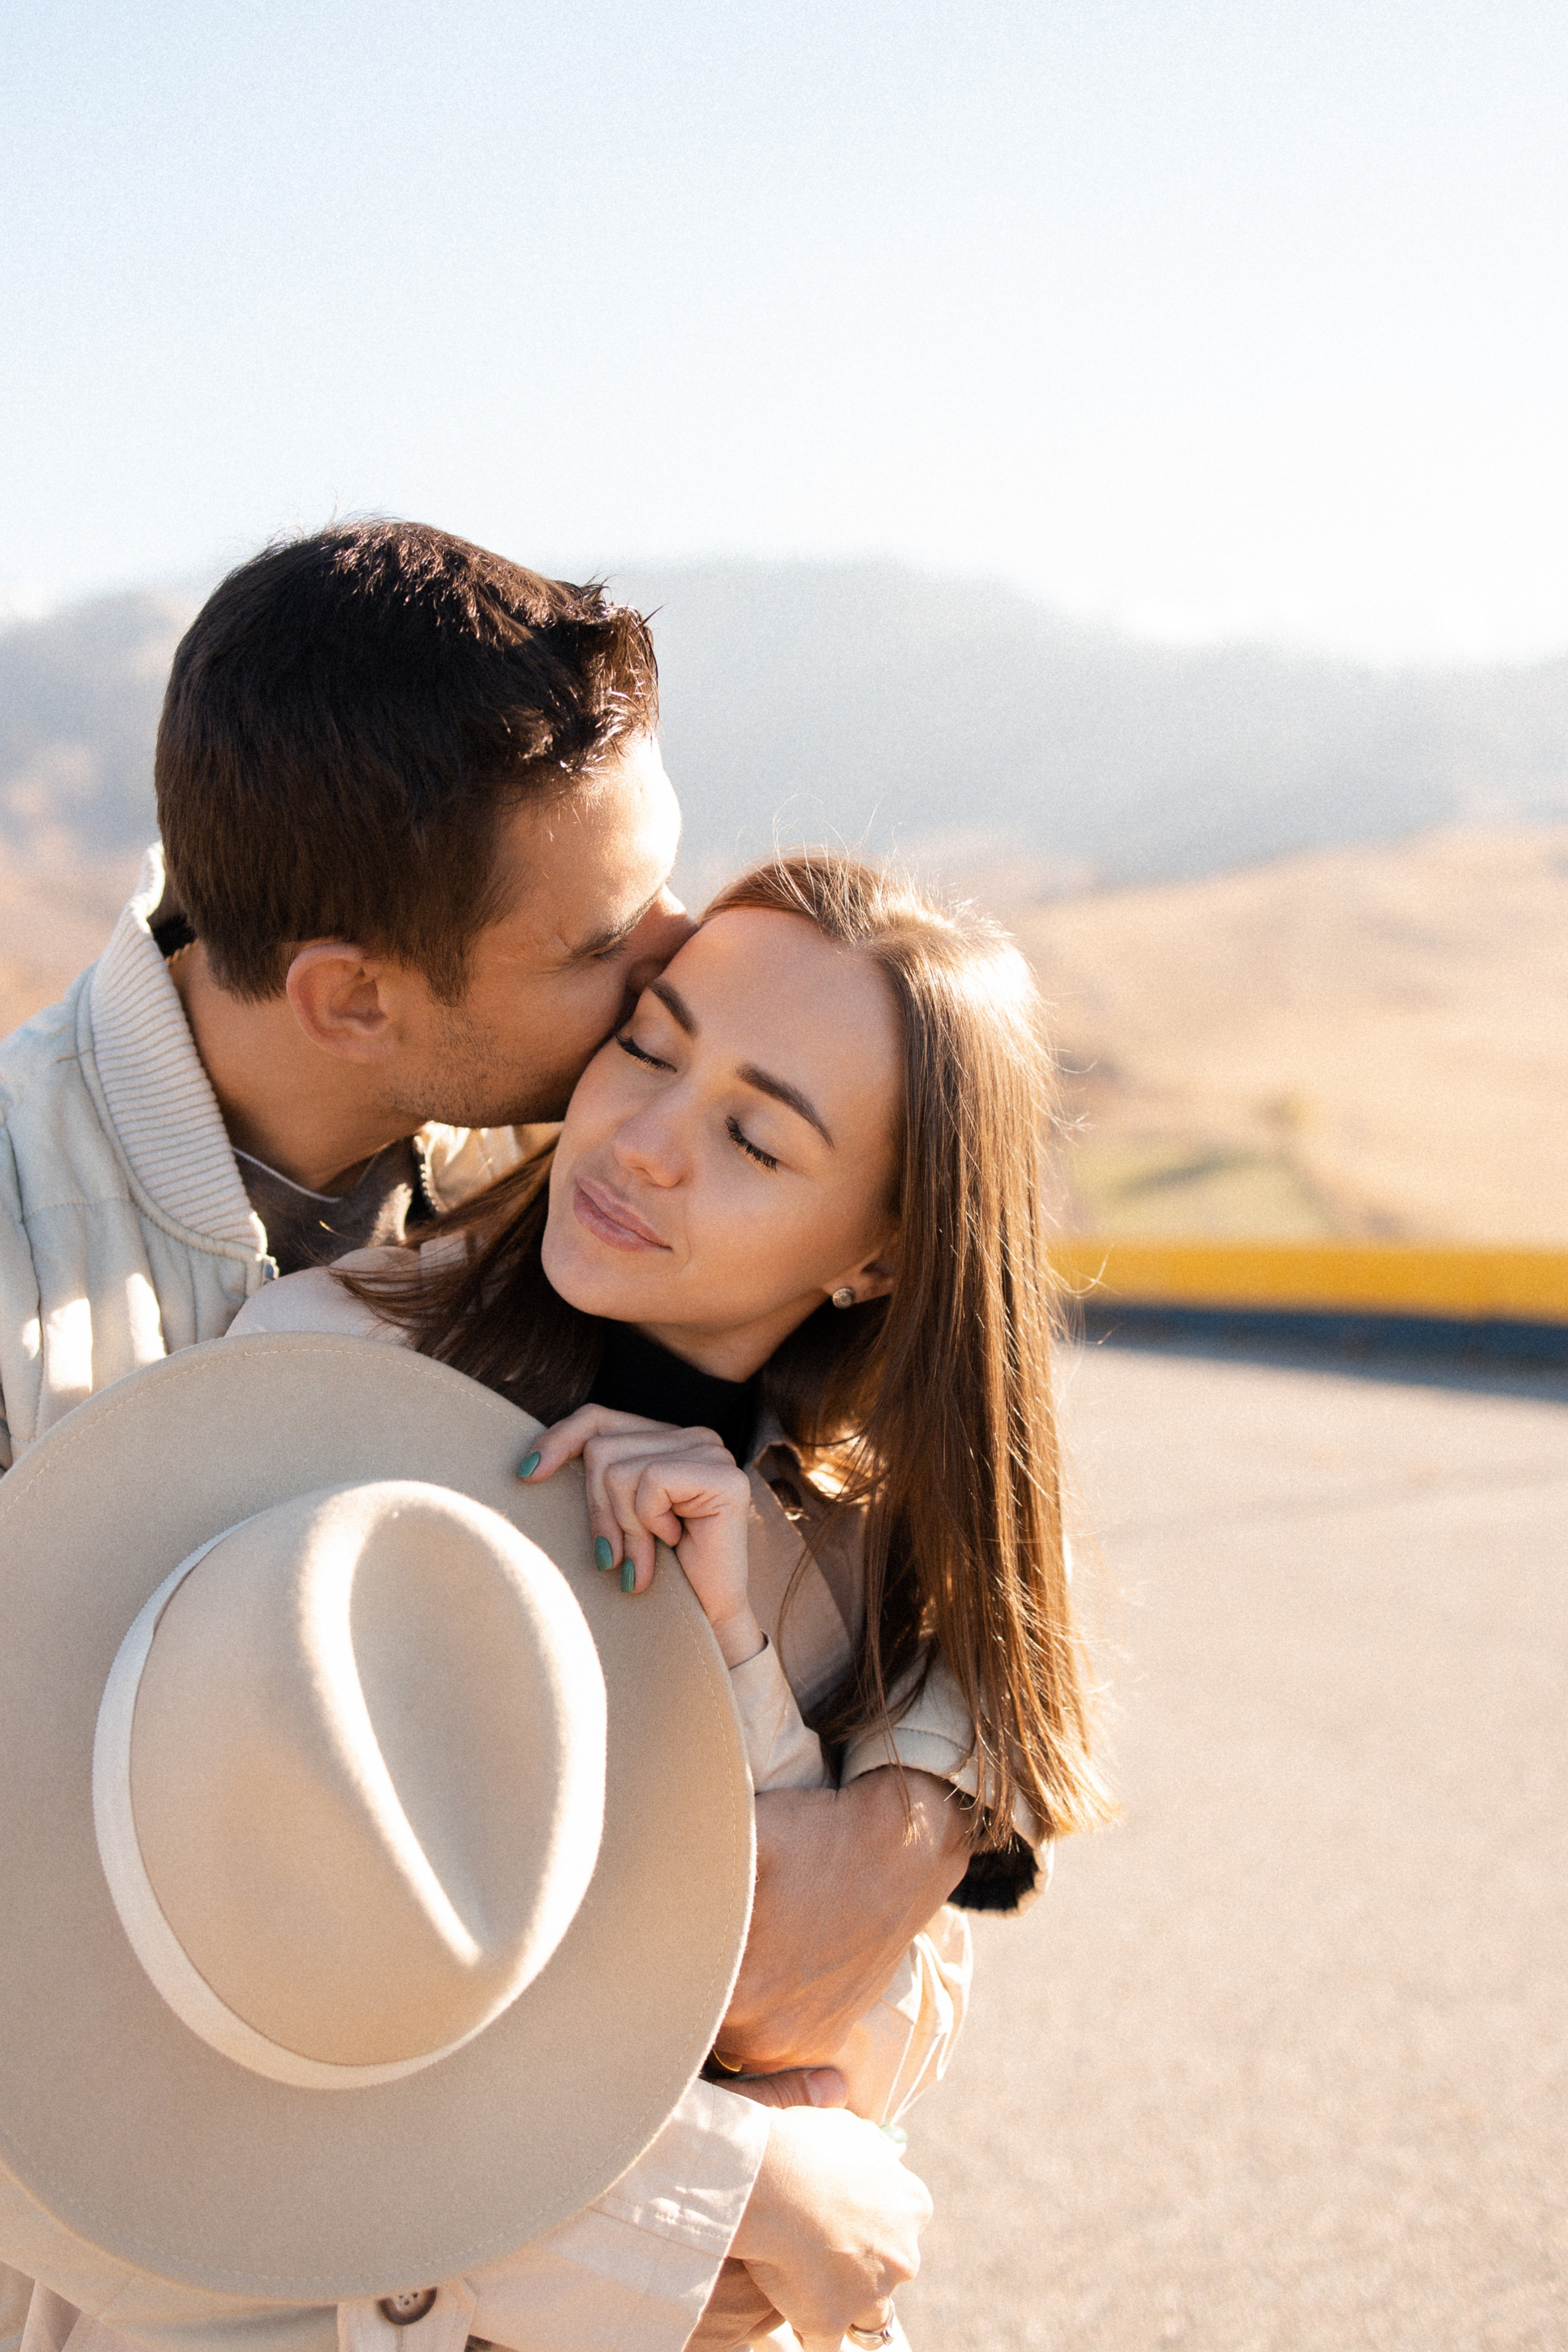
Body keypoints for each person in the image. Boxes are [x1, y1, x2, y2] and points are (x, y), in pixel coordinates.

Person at [0, 527, 967, 2348]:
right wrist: (696, 2197)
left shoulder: (559, 1148)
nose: (679, 956)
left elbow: (923, 1458)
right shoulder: (23, 1297)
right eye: (608, 943)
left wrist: (917, 1805)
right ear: (353, 999)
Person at [234, 846, 1117, 2346]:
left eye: (753, 1140)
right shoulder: (320, 1374)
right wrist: (712, 2206)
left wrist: (734, 1651)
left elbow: (837, 2028)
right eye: (646, 1048)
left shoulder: (851, 1544)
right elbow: (246, 1979)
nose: (642, 1142)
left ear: (875, 1259)